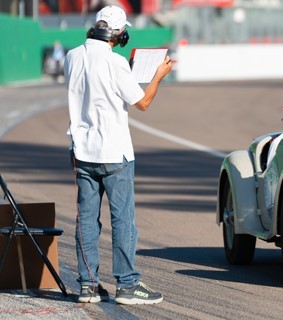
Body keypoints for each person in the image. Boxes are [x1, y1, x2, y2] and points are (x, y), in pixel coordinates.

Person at [64, 5, 172, 305]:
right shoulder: (116, 62)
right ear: (119, 33)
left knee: (86, 220)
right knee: (123, 220)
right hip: (114, 152)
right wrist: (158, 75)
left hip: (82, 152)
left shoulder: (72, 57)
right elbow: (143, 103)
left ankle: (88, 285)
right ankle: (127, 285)